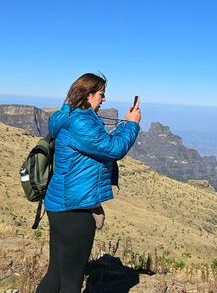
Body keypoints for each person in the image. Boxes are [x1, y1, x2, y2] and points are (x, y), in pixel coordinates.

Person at [36, 73, 141, 293]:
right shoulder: (80, 123)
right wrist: (132, 125)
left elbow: (103, 143)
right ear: (88, 95)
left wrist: (125, 124)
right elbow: (114, 149)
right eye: (101, 94)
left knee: (55, 275)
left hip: (61, 206)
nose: (104, 99)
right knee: (72, 284)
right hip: (76, 210)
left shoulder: (72, 117)